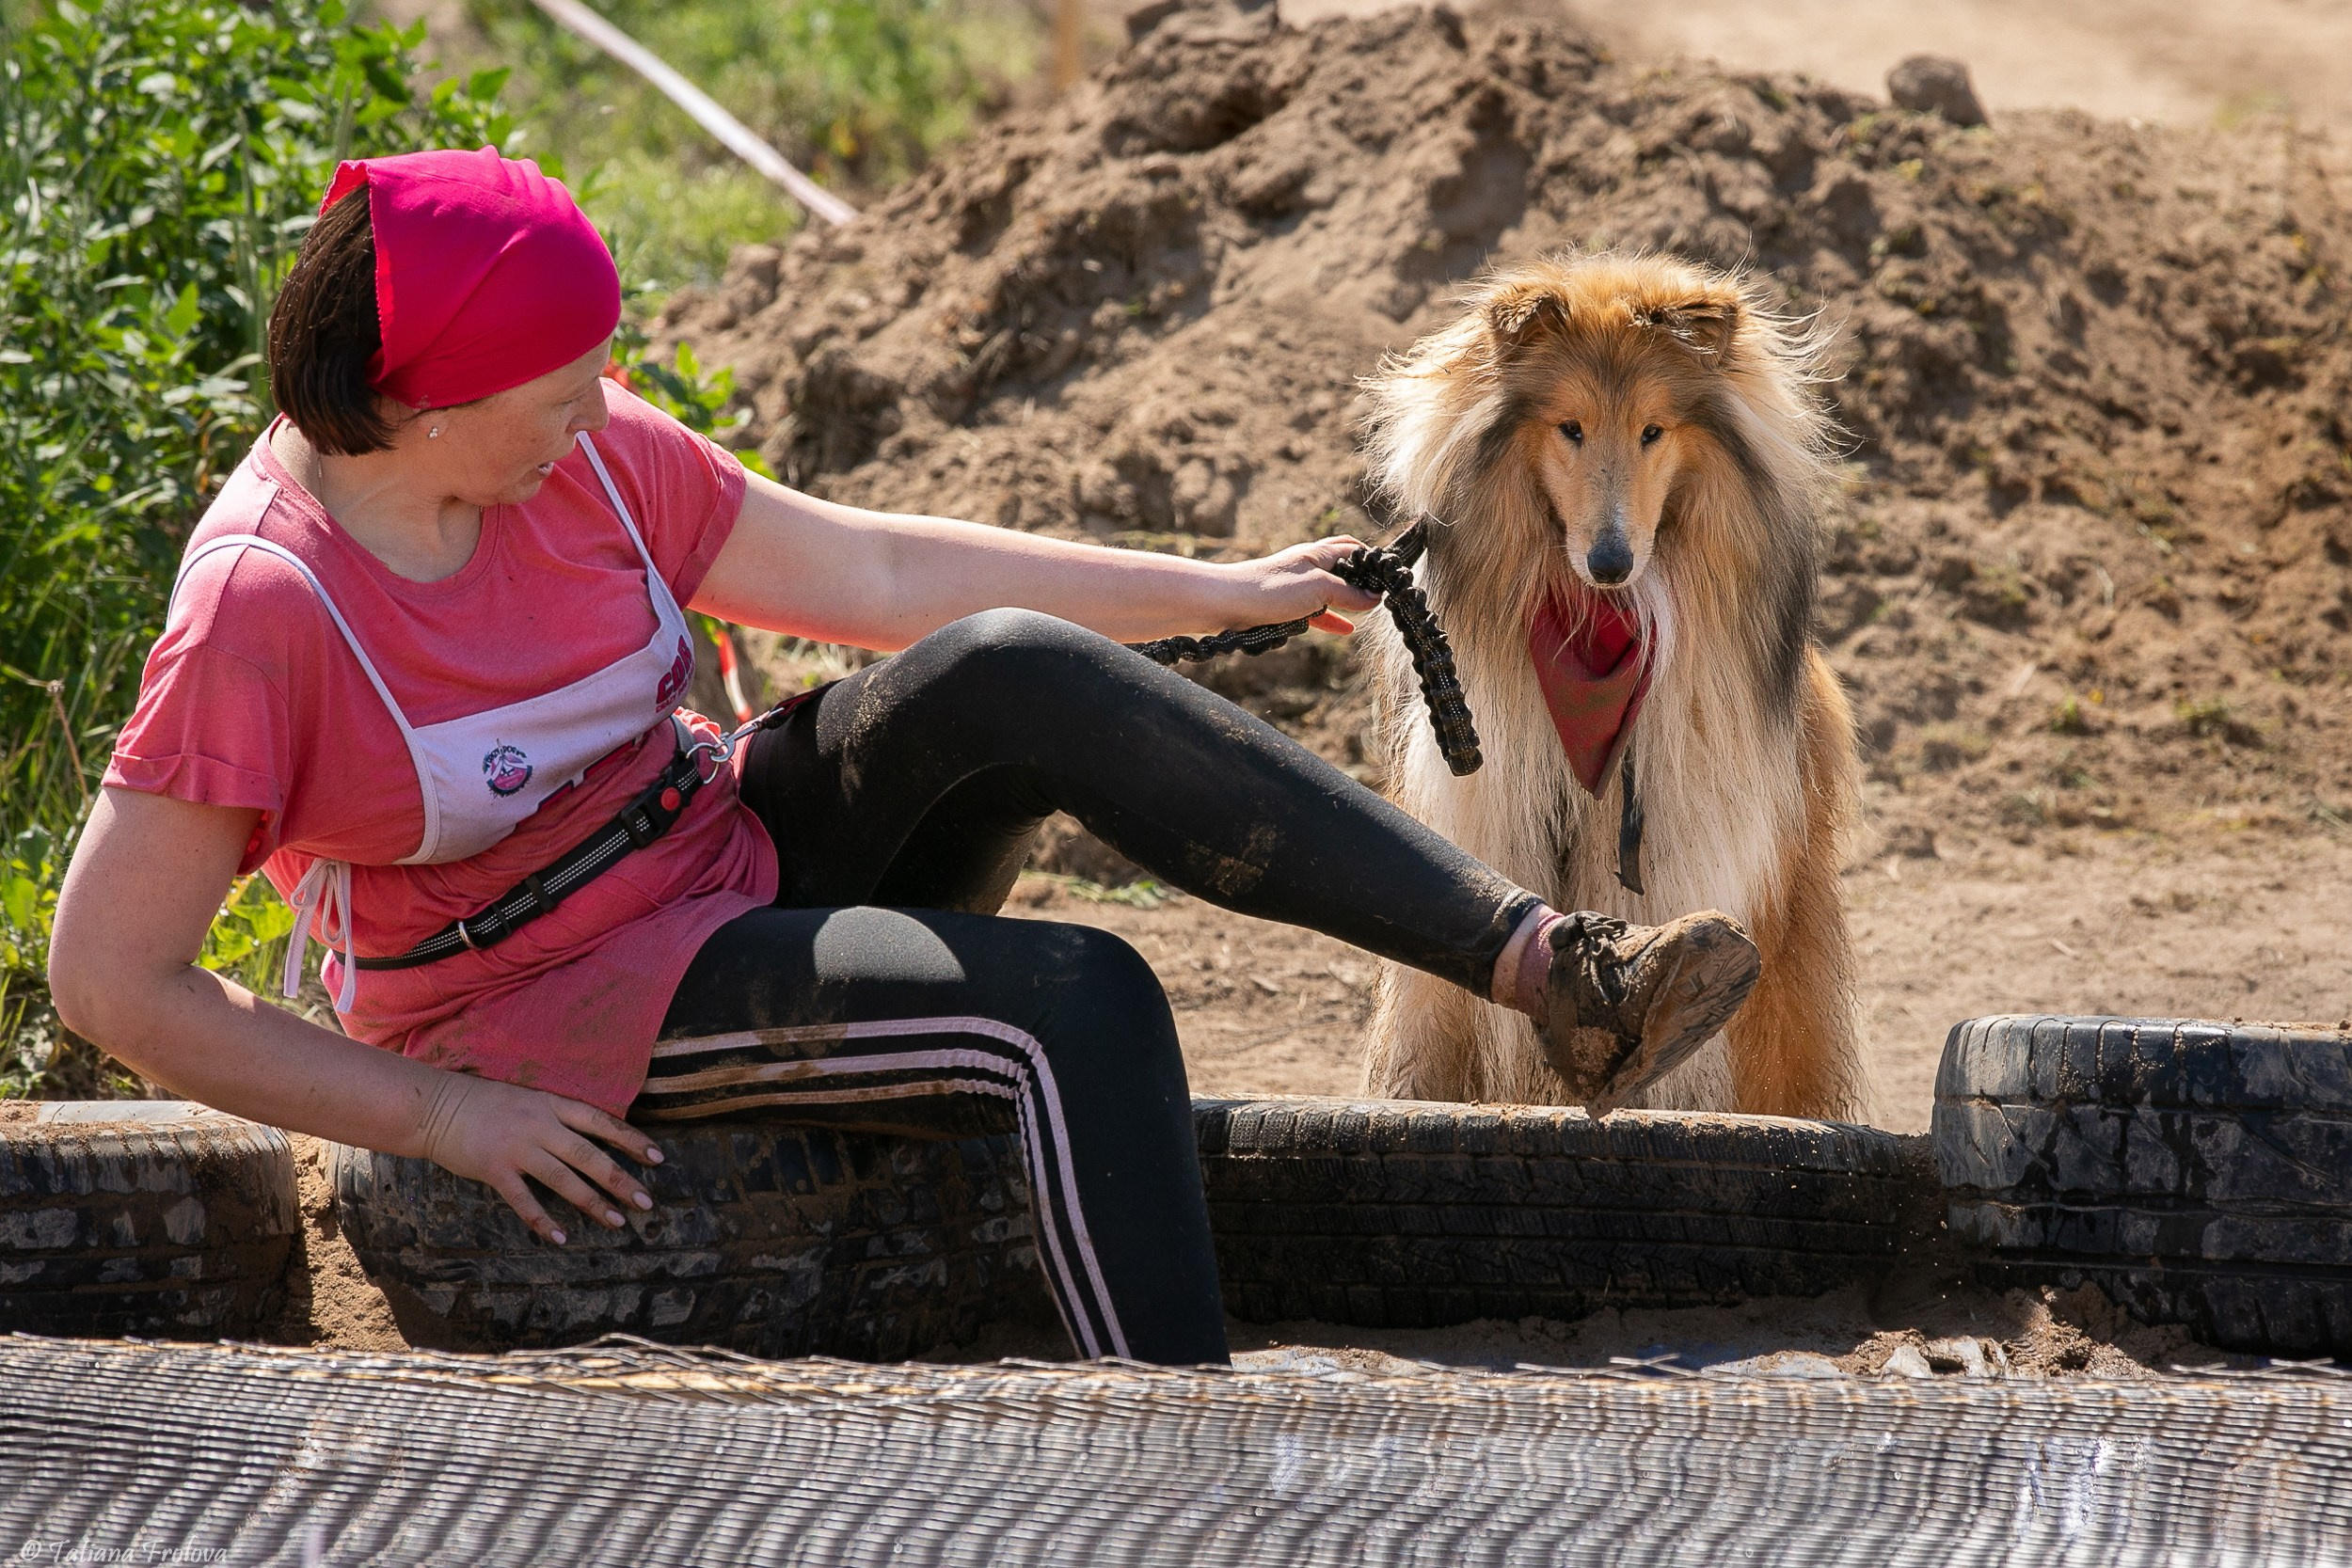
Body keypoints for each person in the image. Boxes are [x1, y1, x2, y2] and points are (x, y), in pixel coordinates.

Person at [46, 149, 1760, 1367]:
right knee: (1074, 1005)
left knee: (1010, 670)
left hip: (703, 845)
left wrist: (1222, 595)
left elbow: (871, 577)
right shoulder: (268, 610)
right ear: (428, 405)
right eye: (563, 385)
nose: (604, 404)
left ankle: (1558, 968)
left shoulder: (573, 450)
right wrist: (440, 1115)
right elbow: (114, 983)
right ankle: (1187, 1472)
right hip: (540, 1003)